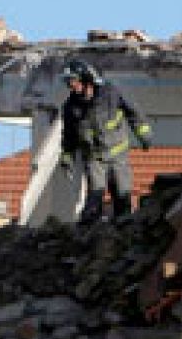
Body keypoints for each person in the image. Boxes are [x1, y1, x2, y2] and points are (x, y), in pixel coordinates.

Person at [59, 59, 153, 222]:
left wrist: (143, 134)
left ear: (86, 78)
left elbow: (134, 111)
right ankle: (89, 234)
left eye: (72, 81)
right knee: (95, 198)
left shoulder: (111, 92)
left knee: (122, 196)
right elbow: (69, 134)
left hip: (118, 157)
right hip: (95, 159)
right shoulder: (71, 107)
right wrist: (67, 156)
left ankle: (124, 233)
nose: (70, 85)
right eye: (68, 82)